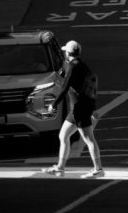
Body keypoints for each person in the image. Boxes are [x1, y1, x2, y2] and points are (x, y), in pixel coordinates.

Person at [43, 41, 103, 178]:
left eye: (65, 52)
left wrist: (54, 104)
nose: (64, 54)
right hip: (78, 108)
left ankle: (98, 169)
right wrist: (92, 108)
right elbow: (91, 87)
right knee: (63, 135)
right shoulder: (82, 66)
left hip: (79, 109)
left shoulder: (73, 67)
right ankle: (60, 168)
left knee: (89, 139)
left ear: (68, 53)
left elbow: (65, 87)